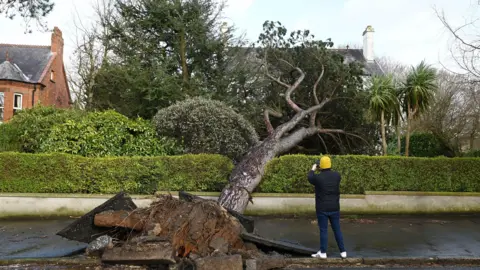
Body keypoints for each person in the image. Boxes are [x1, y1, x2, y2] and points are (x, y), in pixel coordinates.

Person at [308, 156, 347, 259]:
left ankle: (323, 253)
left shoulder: (318, 177)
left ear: (321, 166)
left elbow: (310, 177)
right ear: (330, 164)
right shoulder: (337, 176)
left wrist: (313, 168)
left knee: (323, 230)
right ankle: (343, 252)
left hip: (322, 209)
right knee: (337, 229)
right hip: (335, 207)